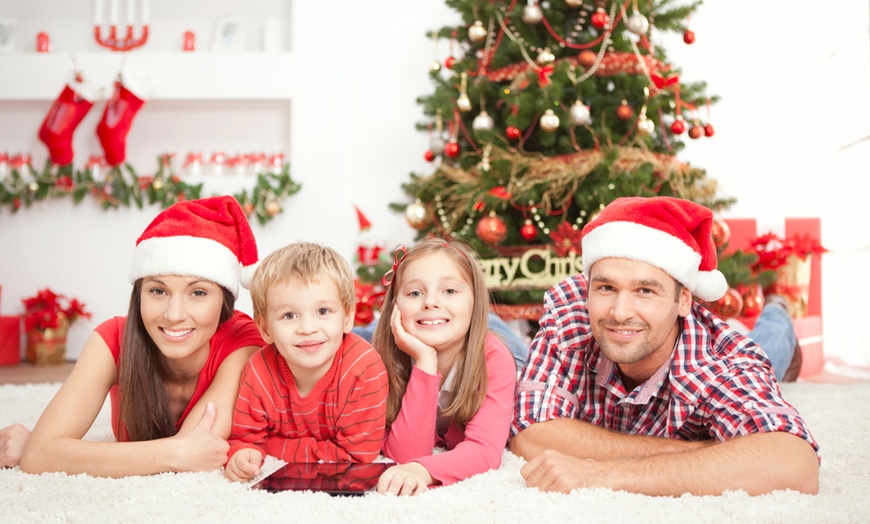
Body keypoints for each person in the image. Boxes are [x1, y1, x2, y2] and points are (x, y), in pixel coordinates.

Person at [510, 196, 820, 496]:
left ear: (684, 299)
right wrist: (705, 451)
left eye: (645, 290)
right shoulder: (572, 312)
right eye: (606, 287)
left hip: (736, 346)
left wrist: (600, 474)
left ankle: (778, 310)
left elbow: (794, 464)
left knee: (769, 349)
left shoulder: (722, 362)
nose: (620, 312)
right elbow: (530, 433)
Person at [11, 196, 265, 477]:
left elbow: (200, 446)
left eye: (198, 293)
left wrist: (65, 453)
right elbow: (39, 456)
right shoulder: (113, 338)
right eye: (158, 291)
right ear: (139, 295)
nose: (174, 314)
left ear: (224, 302)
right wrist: (176, 453)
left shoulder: (243, 342)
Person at [224, 242, 388, 483]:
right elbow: (245, 438)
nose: (307, 329)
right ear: (265, 328)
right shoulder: (259, 371)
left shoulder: (364, 368)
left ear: (348, 317)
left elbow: (358, 456)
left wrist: (276, 446)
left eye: (323, 311)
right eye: (289, 316)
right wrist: (243, 455)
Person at [373, 238, 517, 496]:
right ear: (395, 305)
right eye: (415, 293)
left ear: (475, 301)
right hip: (423, 329)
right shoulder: (380, 361)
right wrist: (425, 362)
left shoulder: (495, 360)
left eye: (449, 290)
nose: (430, 302)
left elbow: (485, 451)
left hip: (501, 347)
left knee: (513, 344)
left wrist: (422, 470)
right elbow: (406, 455)